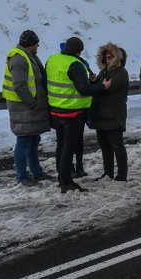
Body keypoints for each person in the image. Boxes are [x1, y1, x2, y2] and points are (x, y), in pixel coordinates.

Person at [45, 37, 110, 193]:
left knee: (61, 145)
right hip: (72, 112)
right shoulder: (76, 64)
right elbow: (84, 89)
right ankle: (66, 182)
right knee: (69, 147)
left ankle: (62, 176)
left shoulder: (53, 59)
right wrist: (102, 86)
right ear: (79, 51)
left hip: (55, 110)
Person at [2, 30, 51, 186]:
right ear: (31, 44)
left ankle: (37, 172)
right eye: (37, 44)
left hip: (28, 107)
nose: (38, 46)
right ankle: (22, 176)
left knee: (34, 139)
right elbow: (19, 85)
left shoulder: (28, 56)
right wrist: (32, 103)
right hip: (22, 107)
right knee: (23, 140)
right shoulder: (18, 59)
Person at [90, 43, 129, 181]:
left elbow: (108, 88)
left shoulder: (121, 73)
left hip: (114, 115)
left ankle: (122, 175)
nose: (107, 59)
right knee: (105, 147)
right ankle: (108, 173)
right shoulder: (104, 72)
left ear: (117, 58)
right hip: (101, 116)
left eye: (110, 57)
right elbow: (100, 88)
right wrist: (94, 82)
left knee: (117, 146)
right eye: (105, 57)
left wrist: (97, 86)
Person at [61, 40, 90, 178]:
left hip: (62, 108)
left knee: (67, 142)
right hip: (75, 108)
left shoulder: (56, 62)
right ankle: (74, 169)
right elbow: (84, 87)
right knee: (72, 142)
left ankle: (71, 169)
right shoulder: (77, 64)